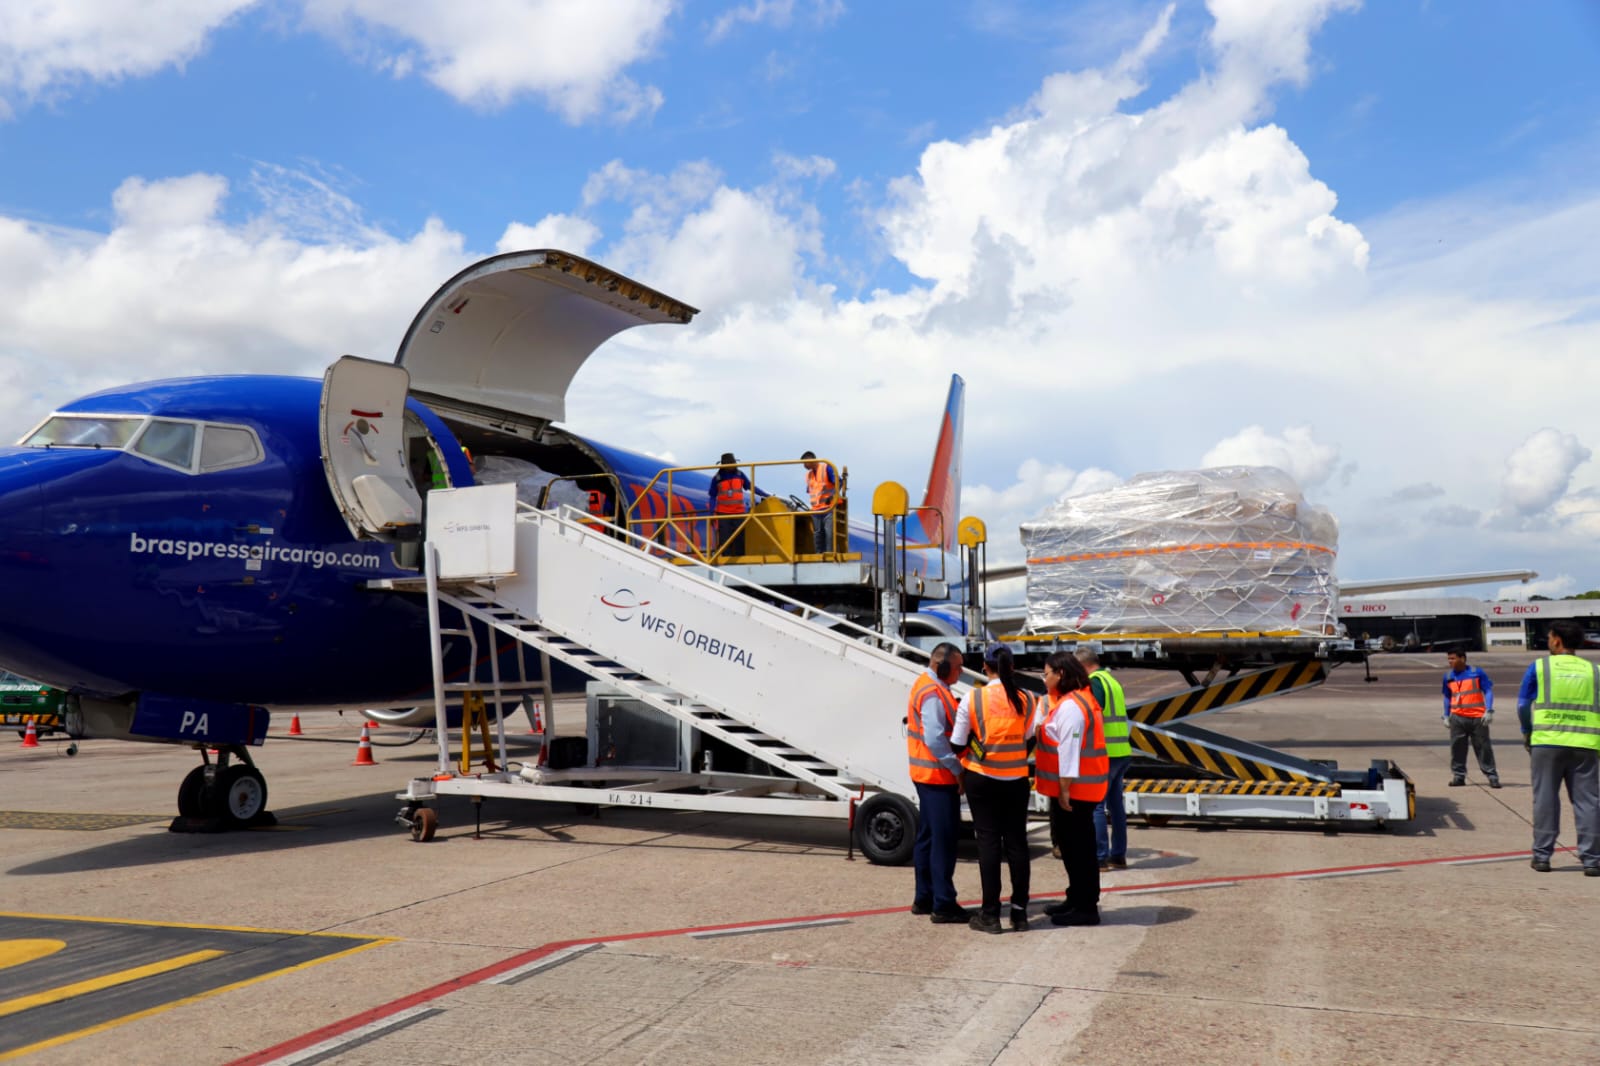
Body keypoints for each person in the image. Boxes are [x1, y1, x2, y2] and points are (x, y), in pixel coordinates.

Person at [951, 643, 1034, 933]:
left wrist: (977, 748)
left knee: (988, 844)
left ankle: (990, 914)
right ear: (1011, 667)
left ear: (985, 667)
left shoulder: (972, 699)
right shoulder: (1027, 698)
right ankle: (1021, 913)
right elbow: (1028, 738)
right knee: (1017, 844)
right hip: (1016, 781)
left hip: (982, 779)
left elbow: (957, 744)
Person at [1517, 621, 1599, 875]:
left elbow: (1522, 704)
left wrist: (1527, 731)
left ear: (1557, 641)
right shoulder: (1594, 670)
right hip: (1586, 744)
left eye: (1550, 637)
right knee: (1588, 802)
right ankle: (1592, 860)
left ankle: (1542, 856)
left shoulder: (1540, 667)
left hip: (1547, 743)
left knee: (1545, 799)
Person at [1037, 652, 1108, 927]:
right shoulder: (1077, 700)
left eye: (1046, 674)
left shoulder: (1072, 706)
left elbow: (1069, 748)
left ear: (1061, 674)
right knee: (1074, 846)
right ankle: (1076, 897)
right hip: (1081, 789)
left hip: (1076, 791)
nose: (1045, 679)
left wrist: (1064, 788)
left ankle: (1086, 906)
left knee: (1078, 849)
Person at [906, 642, 970, 924]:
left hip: (927, 776)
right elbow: (934, 738)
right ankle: (943, 904)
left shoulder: (929, 685)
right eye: (957, 667)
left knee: (928, 838)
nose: (960, 672)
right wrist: (957, 769)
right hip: (938, 777)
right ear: (940, 666)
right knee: (942, 842)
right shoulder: (932, 692)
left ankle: (924, 897)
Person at [1076, 648, 1131, 871]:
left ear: (1082, 666)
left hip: (1105, 752)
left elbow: (1091, 715)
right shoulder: (1112, 681)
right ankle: (1118, 855)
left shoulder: (1095, 683)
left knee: (1096, 805)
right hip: (1121, 751)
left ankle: (1100, 857)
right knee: (1116, 805)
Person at [1443, 650, 1499, 788]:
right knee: (1457, 748)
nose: (1450, 661)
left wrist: (1489, 710)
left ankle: (1492, 775)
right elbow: (1447, 697)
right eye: (1448, 659)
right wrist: (1446, 714)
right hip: (1457, 717)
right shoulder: (1448, 676)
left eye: (1453, 658)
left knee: (1483, 747)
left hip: (1477, 718)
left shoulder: (1477, 673)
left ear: (1462, 658)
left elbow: (1488, 690)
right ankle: (1459, 776)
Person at [707, 453, 750, 559]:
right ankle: (726, 559)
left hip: (739, 513)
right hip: (723, 514)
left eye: (733, 463)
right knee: (725, 540)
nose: (732, 465)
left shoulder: (740, 475)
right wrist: (711, 513)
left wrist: (765, 495)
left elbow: (750, 486)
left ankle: (741, 559)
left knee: (740, 539)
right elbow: (712, 497)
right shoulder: (717, 478)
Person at [800, 451, 837, 555]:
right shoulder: (808, 475)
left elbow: (839, 482)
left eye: (805, 463)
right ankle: (819, 554)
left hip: (828, 507)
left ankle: (829, 553)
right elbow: (811, 490)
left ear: (810, 460)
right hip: (816, 509)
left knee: (828, 532)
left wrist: (831, 496)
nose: (804, 466)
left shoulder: (826, 468)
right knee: (817, 533)